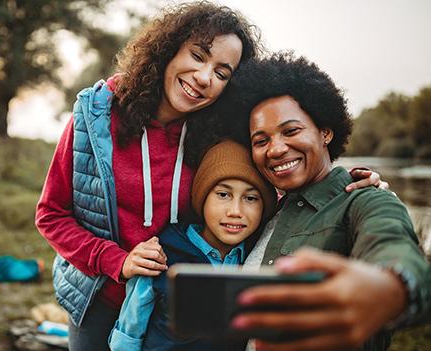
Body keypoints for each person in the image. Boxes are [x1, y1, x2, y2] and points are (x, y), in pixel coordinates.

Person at [35, 2, 385, 349]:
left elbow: (270, 189)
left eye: (222, 73)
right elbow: (51, 214)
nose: (204, 78)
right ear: (169, 50)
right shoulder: (95, 115)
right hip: (99, 297)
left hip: (183, 302)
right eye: (198, 56)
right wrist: (118, 261)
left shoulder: (222, 134)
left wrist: (345, 188)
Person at [220, 53, 431, 351]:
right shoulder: (263, 210)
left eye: (291, 131)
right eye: (261, 140)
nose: (276, 149)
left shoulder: (366, 199)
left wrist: (389, 288)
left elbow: (393, 244)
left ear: (325, 132)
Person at [108, 139, 276, 351]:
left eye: (251, 198)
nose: (235, 211)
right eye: (223, 195)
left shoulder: (257, 258)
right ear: (202, 197)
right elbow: (129, 332)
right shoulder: (161, 254)